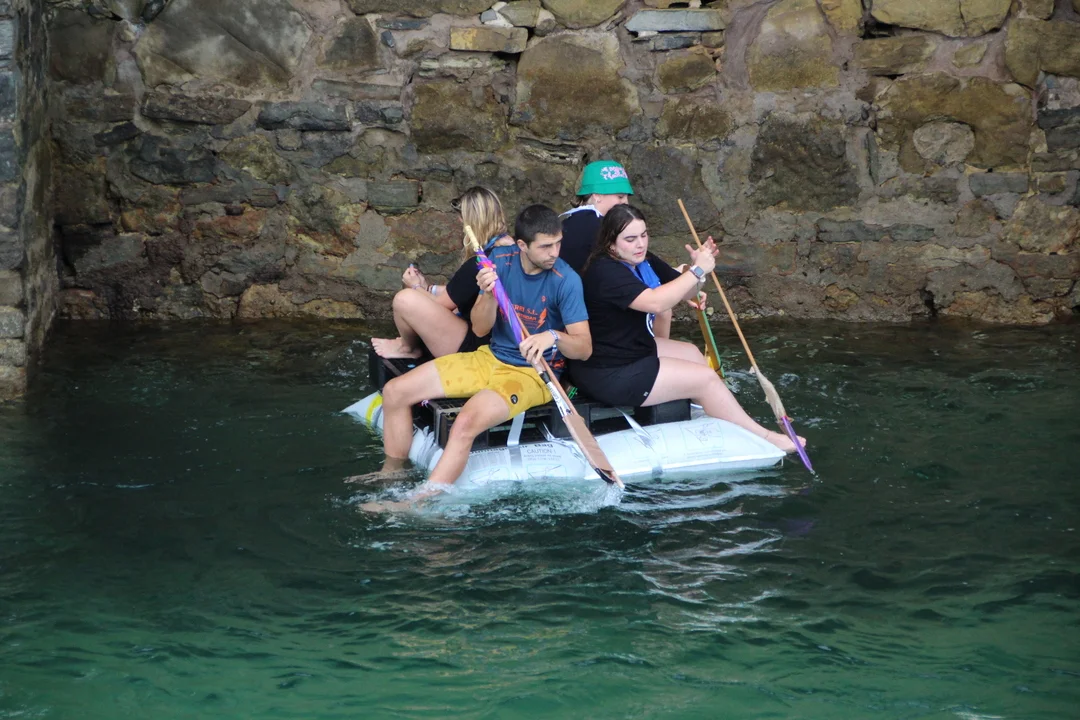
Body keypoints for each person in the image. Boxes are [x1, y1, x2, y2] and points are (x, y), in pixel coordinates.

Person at [368, 204, 593, 493]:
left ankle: (421, 501)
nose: (555, 253)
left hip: (533, 374)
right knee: (395, 391)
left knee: (464, 423)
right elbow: (479, 329)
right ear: (522, 245)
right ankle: (391, 477)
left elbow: (584, 348)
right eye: (546, 246)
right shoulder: (499, 260)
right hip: (489, 357)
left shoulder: (567, 280)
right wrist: (488, 295)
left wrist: (553, 336)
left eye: (558, 243)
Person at [570, 205, 804, 454]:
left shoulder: (643, 260)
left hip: (630, 350)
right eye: (630, 239)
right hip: (608, 371)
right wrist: (697, 270)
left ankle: (716, 410)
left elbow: (687, 291)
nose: (640, 244)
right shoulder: (605, 271)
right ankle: (765, 438)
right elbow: (656, 302)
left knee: (692, 353)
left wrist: (698, 271)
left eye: (644, 235)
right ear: (611, 244)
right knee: (706, 379)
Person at [371, 186, 515, 359]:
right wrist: (428, 288)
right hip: (502, 338)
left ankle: (407, 348)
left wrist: (415, 286)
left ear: (471, 221)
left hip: (476, 345)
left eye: (462, 217)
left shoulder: (480, 263)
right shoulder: (511, 247)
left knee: (404, 299)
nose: (459, 221)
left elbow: (441, 305)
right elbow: (461, 292)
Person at [559, 160, 633, 275]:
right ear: (597, 196)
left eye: (626, 197)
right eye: (620, 196)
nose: (626, 202)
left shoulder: (571, 220)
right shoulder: (596, 226)